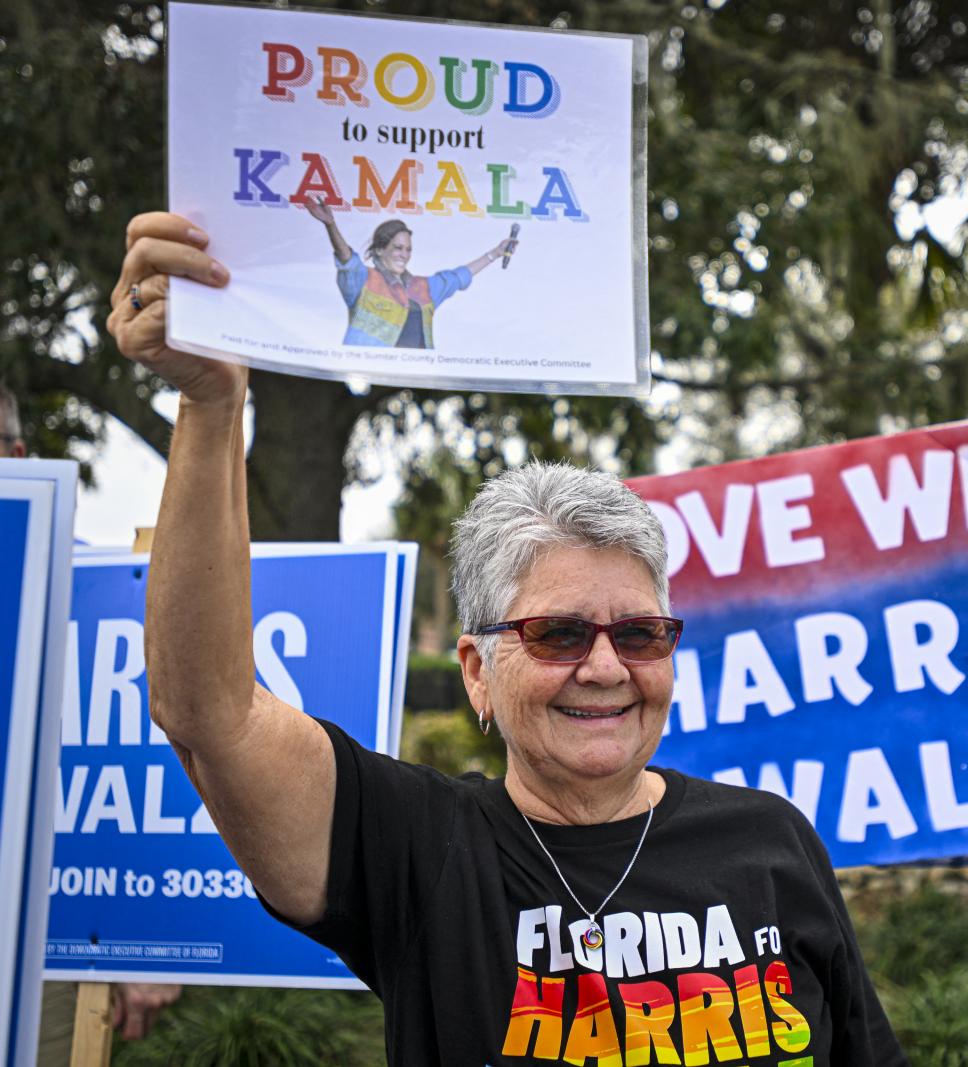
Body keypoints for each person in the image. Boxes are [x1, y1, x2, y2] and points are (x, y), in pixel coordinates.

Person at [107, 212, 906, 1065]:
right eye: (558, 633)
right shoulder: (422, 851)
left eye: (639, 632)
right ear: (477, 672)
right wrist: (210, 401)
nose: (605, 667)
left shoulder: (770, 841)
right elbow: (207, 708)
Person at [2, 379, 185, 1055]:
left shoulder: (94, 589)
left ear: (17, 455)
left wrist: (143, 937)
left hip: (41, 941)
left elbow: (142, 767)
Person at [305, 197, 516, 348]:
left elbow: (457, 277)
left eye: (408, 249)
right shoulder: (364, 279)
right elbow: (347, 259)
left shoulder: (423, 287)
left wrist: (495, 253)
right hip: (372, 372)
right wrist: (330, 225)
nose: (404, 255)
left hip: (415, 377)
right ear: (380, 250)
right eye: (397, 248)